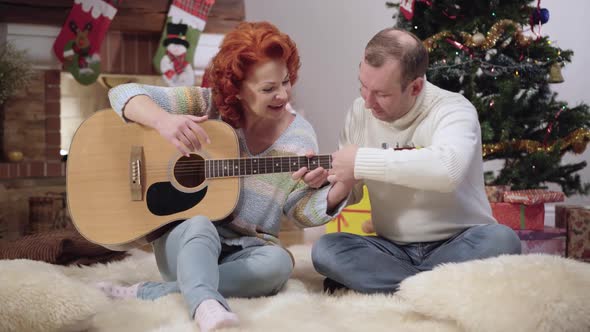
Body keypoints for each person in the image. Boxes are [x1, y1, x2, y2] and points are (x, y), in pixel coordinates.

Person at [98, 22, 346, 332]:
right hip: (187, 244)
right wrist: (163, 121)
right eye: (268, 88)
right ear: (237, 90)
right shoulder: (207, 105)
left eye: (285, 81)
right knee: (201, 223)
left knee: (281, 264)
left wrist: (338, 186)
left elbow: (300, 210)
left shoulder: (300, 137)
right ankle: (204, 304)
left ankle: (163, 292)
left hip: (248, 252)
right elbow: (122, 92)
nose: (282, 95)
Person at [304, 28, 522, 294]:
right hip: (392, 248)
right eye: (363, 86)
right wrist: (338, 185)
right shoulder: (359, 113)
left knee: (502, 240)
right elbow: (354, 189)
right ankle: (433, 287)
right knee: (326, 250)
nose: (368, 102)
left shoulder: (454, 109)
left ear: (415, 86)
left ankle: (391, 286)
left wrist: (360, 161)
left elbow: (446, 170)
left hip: (459, 241)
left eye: (382, 94)